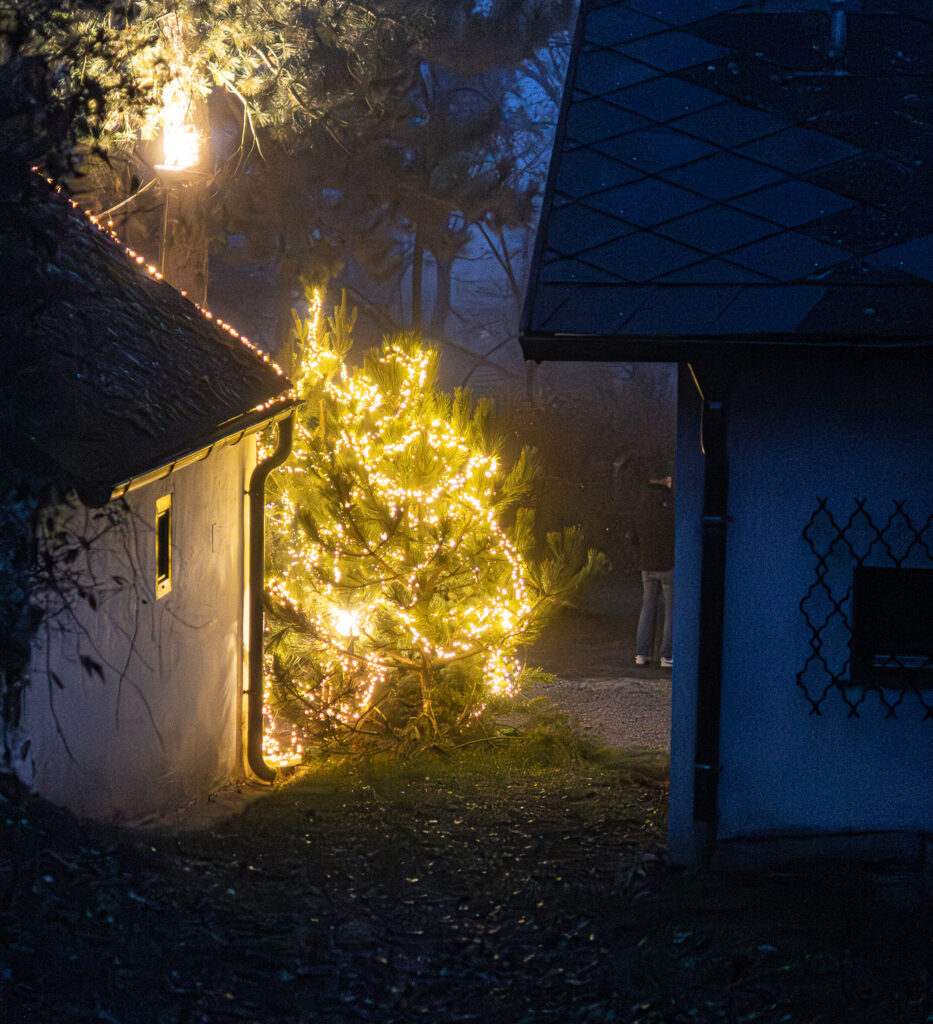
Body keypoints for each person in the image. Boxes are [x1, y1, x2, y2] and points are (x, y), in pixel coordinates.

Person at [633, 476, 674, 669]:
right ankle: (667, 656)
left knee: (647, 607)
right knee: (670, 612)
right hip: (668, 566)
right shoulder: (670, 514)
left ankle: (642, 654)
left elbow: (632, 538)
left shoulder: (642, 513)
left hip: (647, 566)